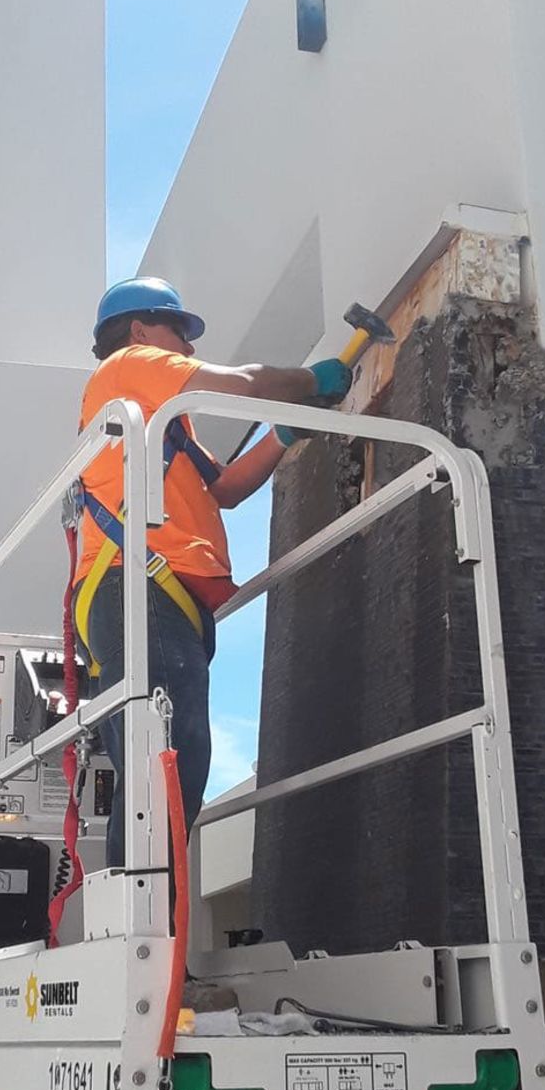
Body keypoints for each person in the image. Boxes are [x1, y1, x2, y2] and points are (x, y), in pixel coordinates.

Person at [72, 275, 352, 872]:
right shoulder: (128, 366)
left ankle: (147, 934)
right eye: (181, 332)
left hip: (156, 594)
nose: (190, 349)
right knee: (169, 758)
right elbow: (245, 383)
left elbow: (223, 489)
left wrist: (282, 433)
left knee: (167, 760)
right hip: (137, 586)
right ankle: (144, 936)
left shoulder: (162, 421)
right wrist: (310, 380)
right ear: (142, 329)